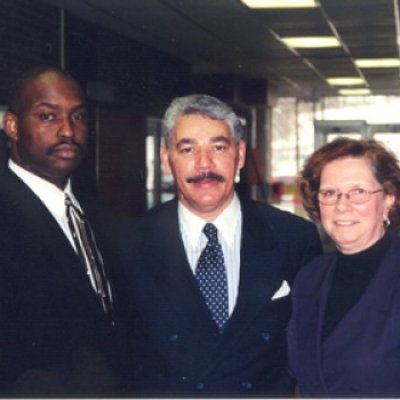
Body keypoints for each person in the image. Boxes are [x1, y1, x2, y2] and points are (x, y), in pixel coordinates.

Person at [122, 94, 322, 396]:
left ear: (240, 155)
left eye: (218, 147)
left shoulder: (293, 237)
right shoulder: (129, 243)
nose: (204, 164)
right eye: (187, 149)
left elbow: (314, 347)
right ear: (165, 158)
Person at [0, 66, 125, 395]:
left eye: (78, 117)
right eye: (47, 116)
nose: (68, 131)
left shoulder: (98, 215)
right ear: (11, 126)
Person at [288, 137, 400, 397]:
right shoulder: (309, 278)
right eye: (329, 193)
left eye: (358, 191)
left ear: (389, 199)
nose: (342, 205)